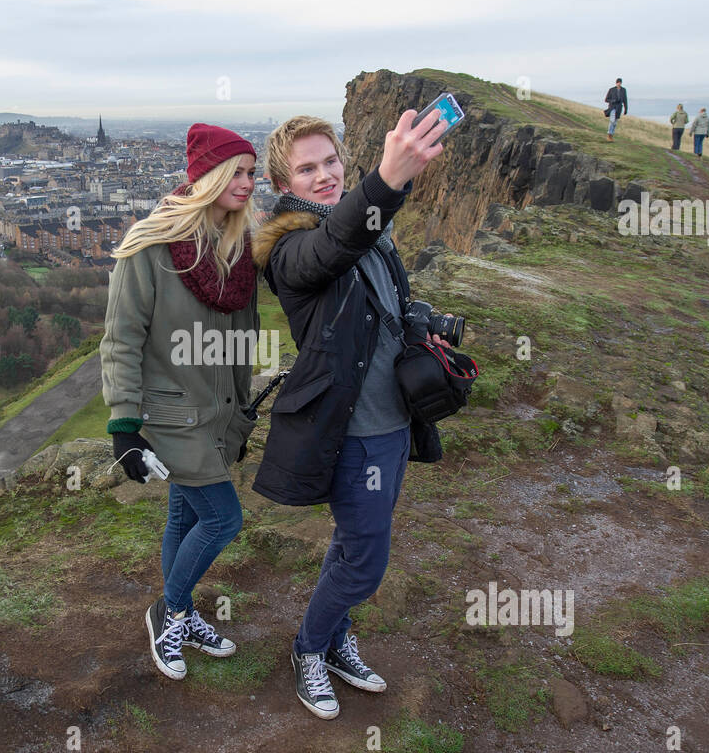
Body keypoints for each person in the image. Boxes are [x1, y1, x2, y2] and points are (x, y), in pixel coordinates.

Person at [252, 109, 452, 719]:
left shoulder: (372, 233)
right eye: (306, 168)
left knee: (353, 539)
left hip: (393, 419)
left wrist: (420, 329)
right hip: (352, 431)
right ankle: (310, 647)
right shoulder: (289, 249)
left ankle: (336, 640)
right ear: (285, 184)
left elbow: (377, 271)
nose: (324, 176)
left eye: (331, 161)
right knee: (366, 558)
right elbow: (335, 244)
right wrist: (387, 180)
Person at [100, 123, 260, 682]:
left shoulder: (238, 249)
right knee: (223, 519)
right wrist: (124, 425)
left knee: (185, 513)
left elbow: (245, 336)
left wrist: (243, 404)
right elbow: (121, 339)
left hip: (217, 412)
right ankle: (167, 611)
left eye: (251, 171)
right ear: (208, 176)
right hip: (172, 415)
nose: (247, 182)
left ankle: (184, 614)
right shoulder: (149, 246)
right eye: (236, 172)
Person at [604, 78, 628, 142]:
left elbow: (625, 100)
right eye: (618, 82)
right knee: (612, 121)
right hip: (612, 107)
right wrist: (612, 101)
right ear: (616, 83)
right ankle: (609, 135)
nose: (619, 84)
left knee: (615, 123)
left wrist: (626, 109)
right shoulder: (611, 90)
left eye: (620, 82)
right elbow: (606, 99)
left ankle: (611, 135)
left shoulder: (623, 90)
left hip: (619, 108)